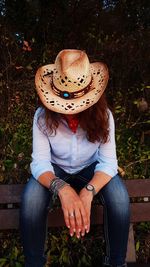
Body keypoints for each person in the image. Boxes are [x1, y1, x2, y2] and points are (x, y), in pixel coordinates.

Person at [20, 49, 130, 267]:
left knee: (119, 199)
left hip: (92, 169)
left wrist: (88, 192)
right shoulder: (41, 117)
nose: (70, 111)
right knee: (31, 200)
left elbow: (108, 163)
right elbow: (40, 162)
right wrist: (62, 188)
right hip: (56, 169)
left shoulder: (104, 116)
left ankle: (117, 263)